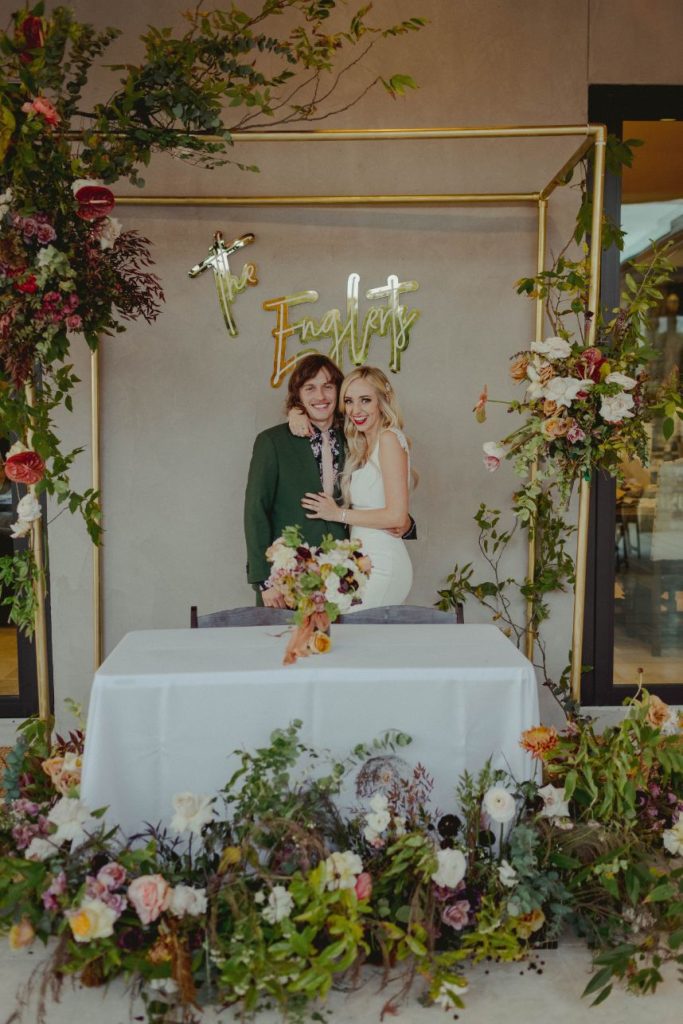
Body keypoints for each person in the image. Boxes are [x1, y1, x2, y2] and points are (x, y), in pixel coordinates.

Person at [301, 366, 414, 610]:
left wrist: (337, 514)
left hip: (384, 563)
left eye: (365, 400)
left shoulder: (388, 439)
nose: (355, 410)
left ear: (383, 400)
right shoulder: (361, 443)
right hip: (362, 563)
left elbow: (397, 516)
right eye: (349, 401)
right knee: (352, 630)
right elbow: (320, 414)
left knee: (351, 627)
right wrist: (296, 412)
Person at [244, 355, 348, 607]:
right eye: (310, 388)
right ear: (298, 395)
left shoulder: (354, 438)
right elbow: (256, 511)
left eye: (328, 386)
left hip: (344, 577)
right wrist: (264, 581)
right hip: (286, 580)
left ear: (339, 391)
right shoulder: (272, 442)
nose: (320, 396)